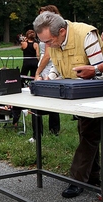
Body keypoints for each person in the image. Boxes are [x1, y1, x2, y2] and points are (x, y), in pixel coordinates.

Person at [33, 11, 103, 198]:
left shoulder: (87, 35)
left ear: (62, 31)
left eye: (49, 42)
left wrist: (94, 70)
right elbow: (58, 65)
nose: (47, 46)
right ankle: (93, 176)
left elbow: (100, 68)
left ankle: (77, 180)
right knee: (86, 132)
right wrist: (50, 77)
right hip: (77, 95)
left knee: (89, 134)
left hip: (95, 94)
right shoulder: (55, 40)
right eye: (44, 42)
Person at [29, 5, 62, 143]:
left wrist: (38, 72)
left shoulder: (51, 33)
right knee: (50, 101)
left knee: (38, 101)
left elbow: (48, 55)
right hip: (46, 66)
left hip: (48, 68)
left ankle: (39, 133)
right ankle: (53, 130)